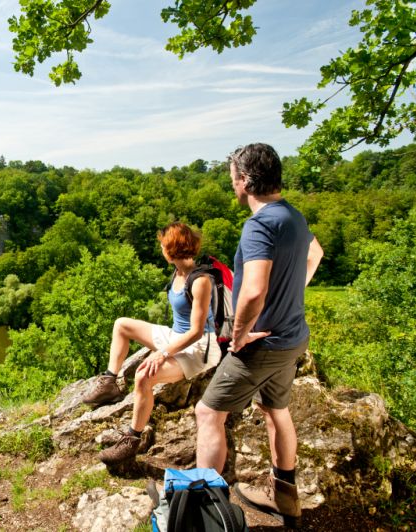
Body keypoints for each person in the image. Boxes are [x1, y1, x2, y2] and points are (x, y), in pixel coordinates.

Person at [194, 143, 323, 528]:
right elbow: (315, 254)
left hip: (262, 344)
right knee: (276, 411)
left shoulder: (260, 224)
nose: (231, 185)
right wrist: (291, 296)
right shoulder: (293, 216)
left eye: (233, 178)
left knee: (207, 413)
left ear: (246, 181)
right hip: (293, 337)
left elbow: (252, 291)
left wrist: (238, 334)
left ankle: (208, 511)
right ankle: (284, 495)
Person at [83, 222, 222, 464]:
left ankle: (131, 440)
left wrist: (163, 353)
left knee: (143, 376)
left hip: (199, 348)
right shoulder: (177, 273)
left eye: (162, 245)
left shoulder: (200, 280)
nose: (160, 248)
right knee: (121, 325)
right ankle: (110, 383)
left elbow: (197, 332)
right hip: (176, 336)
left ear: (173, 248)